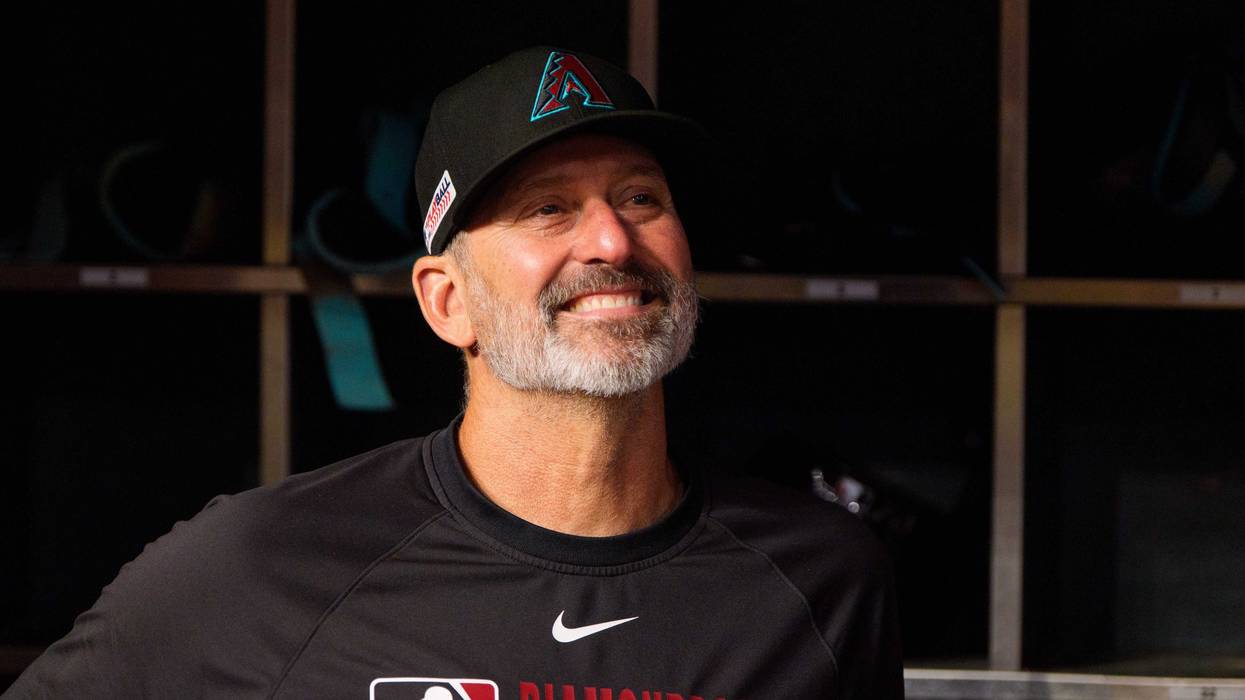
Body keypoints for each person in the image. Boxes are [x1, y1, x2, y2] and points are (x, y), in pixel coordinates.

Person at [6, 46, 903, 699]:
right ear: (446, 303)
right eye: (546, 209)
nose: (609, 241)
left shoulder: (821, 580)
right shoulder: (263, 567)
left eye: (641, 198)